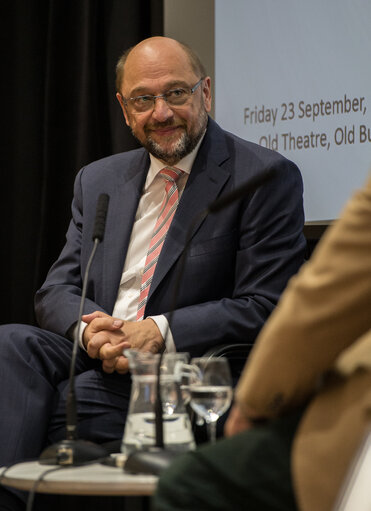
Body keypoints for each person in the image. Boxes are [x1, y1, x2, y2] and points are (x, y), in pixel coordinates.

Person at [0, 37, 306, 509]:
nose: (161, 112)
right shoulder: (98, 179)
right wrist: (93, 332)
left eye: (176, 94)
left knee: (70, 401)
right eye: (144, 99)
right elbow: (57, 288)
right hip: (98, 348)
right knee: (10, 345)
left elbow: (266, 305)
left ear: (206, 93)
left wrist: (157, 332)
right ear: (125, 110)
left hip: (178, 370)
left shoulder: (262, 176)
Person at [153, 173, 371, 511]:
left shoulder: (264, 174)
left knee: (190, 482)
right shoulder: (98, 180)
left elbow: (323, 299)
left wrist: (255, 401)